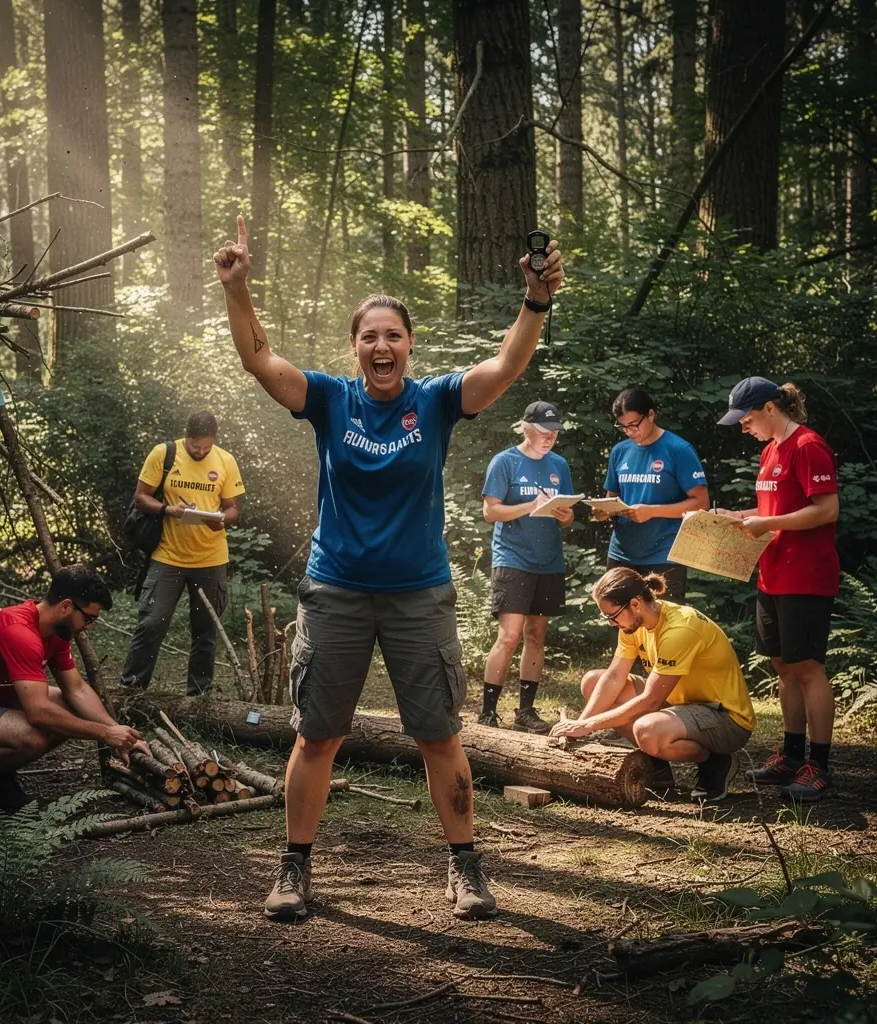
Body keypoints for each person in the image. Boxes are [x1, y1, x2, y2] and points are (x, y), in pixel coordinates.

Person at [214, 215, 564, 923]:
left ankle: (465, 866)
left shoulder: (434, 401)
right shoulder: (328, 399)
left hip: (419, 595)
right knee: (318, 735)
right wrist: (237, 289)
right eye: (370, 336)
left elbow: (504, 369)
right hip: (336, 591)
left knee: (439, 735)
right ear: (355, 348)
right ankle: (294, 867)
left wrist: (536, 300)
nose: (382, 346)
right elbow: (260, 360)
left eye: (393, 335)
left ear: (409, 345)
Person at [0, 564, 152, 810]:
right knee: (32, 739)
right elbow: (38, 713)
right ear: (66, 606)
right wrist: (104, 734)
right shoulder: (20, 633)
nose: (88, 627)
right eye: (88, 619)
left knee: (69, 706)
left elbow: (76, 689)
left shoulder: (54, 630)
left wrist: (118, 732)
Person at [716, 378, 839, 802]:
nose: (743, 427)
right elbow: (776, 509)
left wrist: (766, 523)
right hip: (772, 573)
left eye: (746, 419)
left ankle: (818, 766)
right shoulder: (771, 450)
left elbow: (826, 509)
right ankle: (791, 754)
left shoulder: (808, 446)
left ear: (770, 408)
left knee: (807, 668)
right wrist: (738, 516)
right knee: (784, 666)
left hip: (806, 575)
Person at [550, 567, 755, 803]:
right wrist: (578, 725)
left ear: (635, 604)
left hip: (725, 718)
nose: (611, 623)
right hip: (681, 703)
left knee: (646, 730)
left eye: (612, 616)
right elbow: (614, 677)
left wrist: (588, 725)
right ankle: (657, 765)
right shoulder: (633, 623)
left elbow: (651, 701)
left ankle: (715, 762)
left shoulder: (679, 629)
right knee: (592, 682)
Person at [120, 412, 244, 696]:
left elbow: (233, 508)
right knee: (152, 622)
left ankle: (198, 696)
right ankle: (132, 691)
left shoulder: (225, 460)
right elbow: (141, 497)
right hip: (167, 555)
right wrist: (168, 510)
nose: (200, 451)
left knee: (206, 629)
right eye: (195, 446)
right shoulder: (163, 454)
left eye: (206, 447)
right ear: (186, 436)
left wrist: (222, 519)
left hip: (211, 557)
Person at [478, 400, 574, 734]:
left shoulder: (559, 465)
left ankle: (526, 712)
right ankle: (488, 712)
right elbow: (490, 511)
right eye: (545, 431)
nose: (550, 438)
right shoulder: (505, 461)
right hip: (512, 559)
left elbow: (568, 517)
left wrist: (565, 514)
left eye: (555, 433)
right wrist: (530, 505)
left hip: (549, 560)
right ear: (526, 428)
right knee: (509, 636)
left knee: (536, 634)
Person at [590, 389, 709, 603]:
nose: (629, 432)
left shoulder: (678, 450)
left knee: (664, 619)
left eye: (634, 424)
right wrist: (602, 512)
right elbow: (612, 497)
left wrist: (651, 511)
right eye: (623, 426)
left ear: (651, 415)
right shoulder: (619, 451)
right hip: (621, 553)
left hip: (665, 554)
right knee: (617, 618)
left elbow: (701, 503)